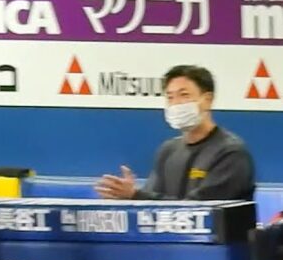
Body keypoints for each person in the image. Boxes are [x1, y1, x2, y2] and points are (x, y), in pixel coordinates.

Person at [95, 65, 255, 202]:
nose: (176, 103)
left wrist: (136, 195)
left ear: (207, 99)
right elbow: (152, 201)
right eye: (170, 97)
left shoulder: (230, 153)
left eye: (184, 95)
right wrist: (130, 199)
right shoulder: (168, 150)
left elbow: (203, 211)